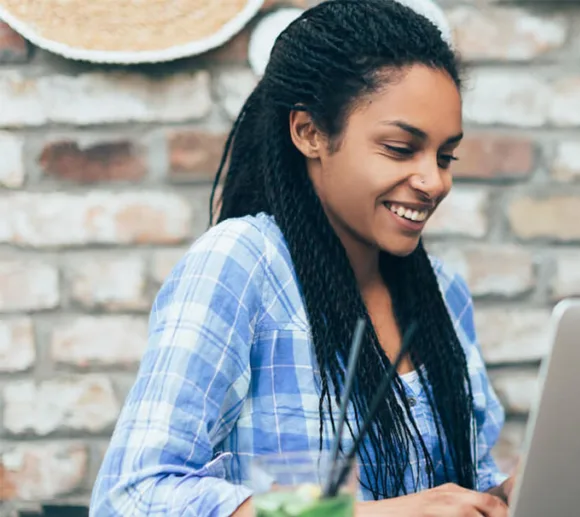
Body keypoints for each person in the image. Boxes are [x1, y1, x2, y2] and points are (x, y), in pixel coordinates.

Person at [89, 1, 515, 515]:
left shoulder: (443, 292)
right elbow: (133, 495)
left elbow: (458, 485)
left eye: (446, 157)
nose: (434, 181)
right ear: (309, 133)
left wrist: (503, 496)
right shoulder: (243, 264)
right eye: (402, 148)